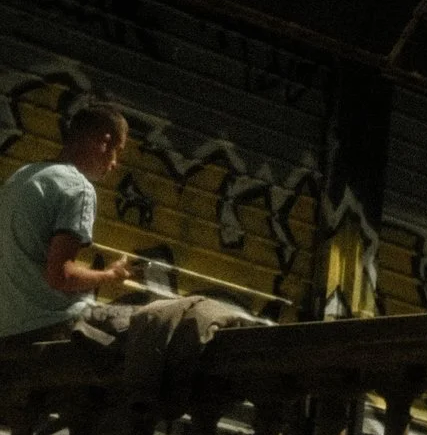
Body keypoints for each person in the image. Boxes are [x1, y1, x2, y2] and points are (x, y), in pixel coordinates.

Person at [0, 99, 267, 370]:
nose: (115, 164)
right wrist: (110, 276)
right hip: (55, 323)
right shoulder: (76, 188)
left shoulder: (22, 178)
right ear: (103, 142)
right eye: (117, 151)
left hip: (8, 329)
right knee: (170, 326)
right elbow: (61, 276)